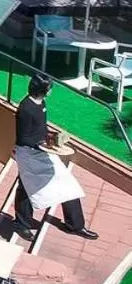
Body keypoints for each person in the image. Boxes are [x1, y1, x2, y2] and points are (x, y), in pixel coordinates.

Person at [14, 73, 98, 240]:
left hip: (42, 151)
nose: (51, 90)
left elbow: (41, 129)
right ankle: (22, 224)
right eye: (49, 87)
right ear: (43, 88)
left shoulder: (41, 103)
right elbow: (23, 137)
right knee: (27, 187)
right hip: (29, 154)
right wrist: (42, 145)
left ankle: (75, 225)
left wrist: (52, 137)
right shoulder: (25, 108)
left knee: (67, 183)